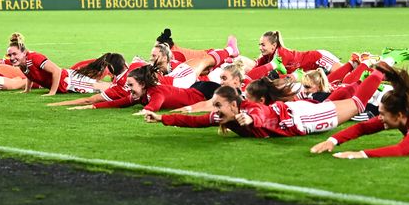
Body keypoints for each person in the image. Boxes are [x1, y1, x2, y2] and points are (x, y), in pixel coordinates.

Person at [142, 69, 386, 138]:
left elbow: (260, 115)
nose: (214, 111)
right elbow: (193, 121)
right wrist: (162, 118)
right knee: (348, 100)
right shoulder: (225, 115)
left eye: (218, 105)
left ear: (235, 106)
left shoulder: (250, 110)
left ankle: (379, 72)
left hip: (299, 121)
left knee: (355, 105)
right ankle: (372, 76)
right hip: (293, 112)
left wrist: (250, 119)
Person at [68, 65, 220, 114]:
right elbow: (118, 103)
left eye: (131, 85)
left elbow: (153, 106)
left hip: (203, 91)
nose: (128, 88)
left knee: (232, 99)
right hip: (195, 89)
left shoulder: (155, 92)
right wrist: (91, 106)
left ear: (142, 84)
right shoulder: (141, 95)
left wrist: (142, 112)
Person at [6, 32, 109, 96]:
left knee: (103, 88)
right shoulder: (22, 63)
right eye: (9, 55)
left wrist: (52, 92)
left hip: (69, 81)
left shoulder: (35, 58)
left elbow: (56, 71)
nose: (12, 58)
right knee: (99, 86)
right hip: (66, 82)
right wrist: (27, 90)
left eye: (14, 54)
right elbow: (30, 75)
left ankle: (123, 86)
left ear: (23, 52)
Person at [246, 31, 342, 80]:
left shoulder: (281, 55)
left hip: (318, 58)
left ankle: (355, 63)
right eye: (260, 45)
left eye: (263, 45)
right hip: (311, 70)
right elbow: (256, 70)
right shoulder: (267, 55)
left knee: (344, 76)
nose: (260, 48)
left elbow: (279, 78)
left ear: (273, 45)